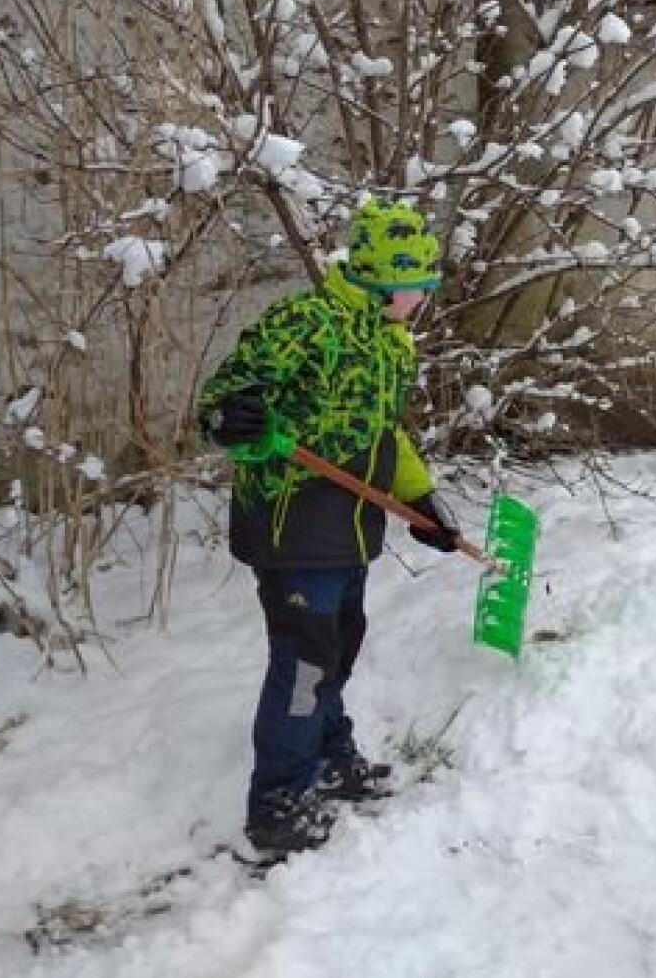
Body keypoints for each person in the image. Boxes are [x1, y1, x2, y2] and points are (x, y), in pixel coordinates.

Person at [197, 197, 462, 858]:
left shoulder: (390, 344)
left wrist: (421, 498)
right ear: (382, 283)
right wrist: (231, 421)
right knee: (305, 666)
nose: (424, 299)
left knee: (337, 648)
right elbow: (227, 397)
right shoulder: (308, 324)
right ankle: (278, 800)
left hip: (349, 527)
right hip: (292, 520)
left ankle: (327, 752)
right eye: (417, 285)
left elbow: (384, 435)